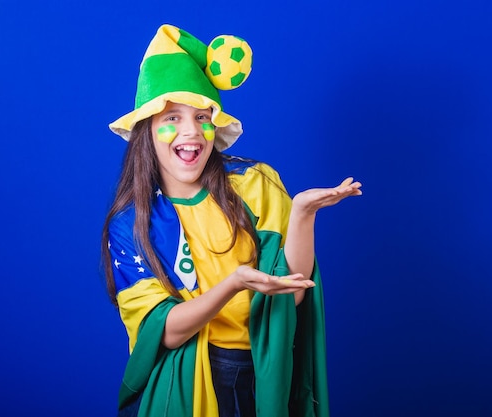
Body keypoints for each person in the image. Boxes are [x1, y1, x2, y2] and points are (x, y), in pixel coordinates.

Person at [101, 24, 362, 417]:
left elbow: (293, 294)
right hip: (190, 382)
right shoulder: (130, 224)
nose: (191, 131)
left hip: (265, 371)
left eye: (203, 116)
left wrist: (303, 215)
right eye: (172, 117)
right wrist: (233, 284)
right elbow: (164, 331)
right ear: (148, 131)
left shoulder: (254, 184)